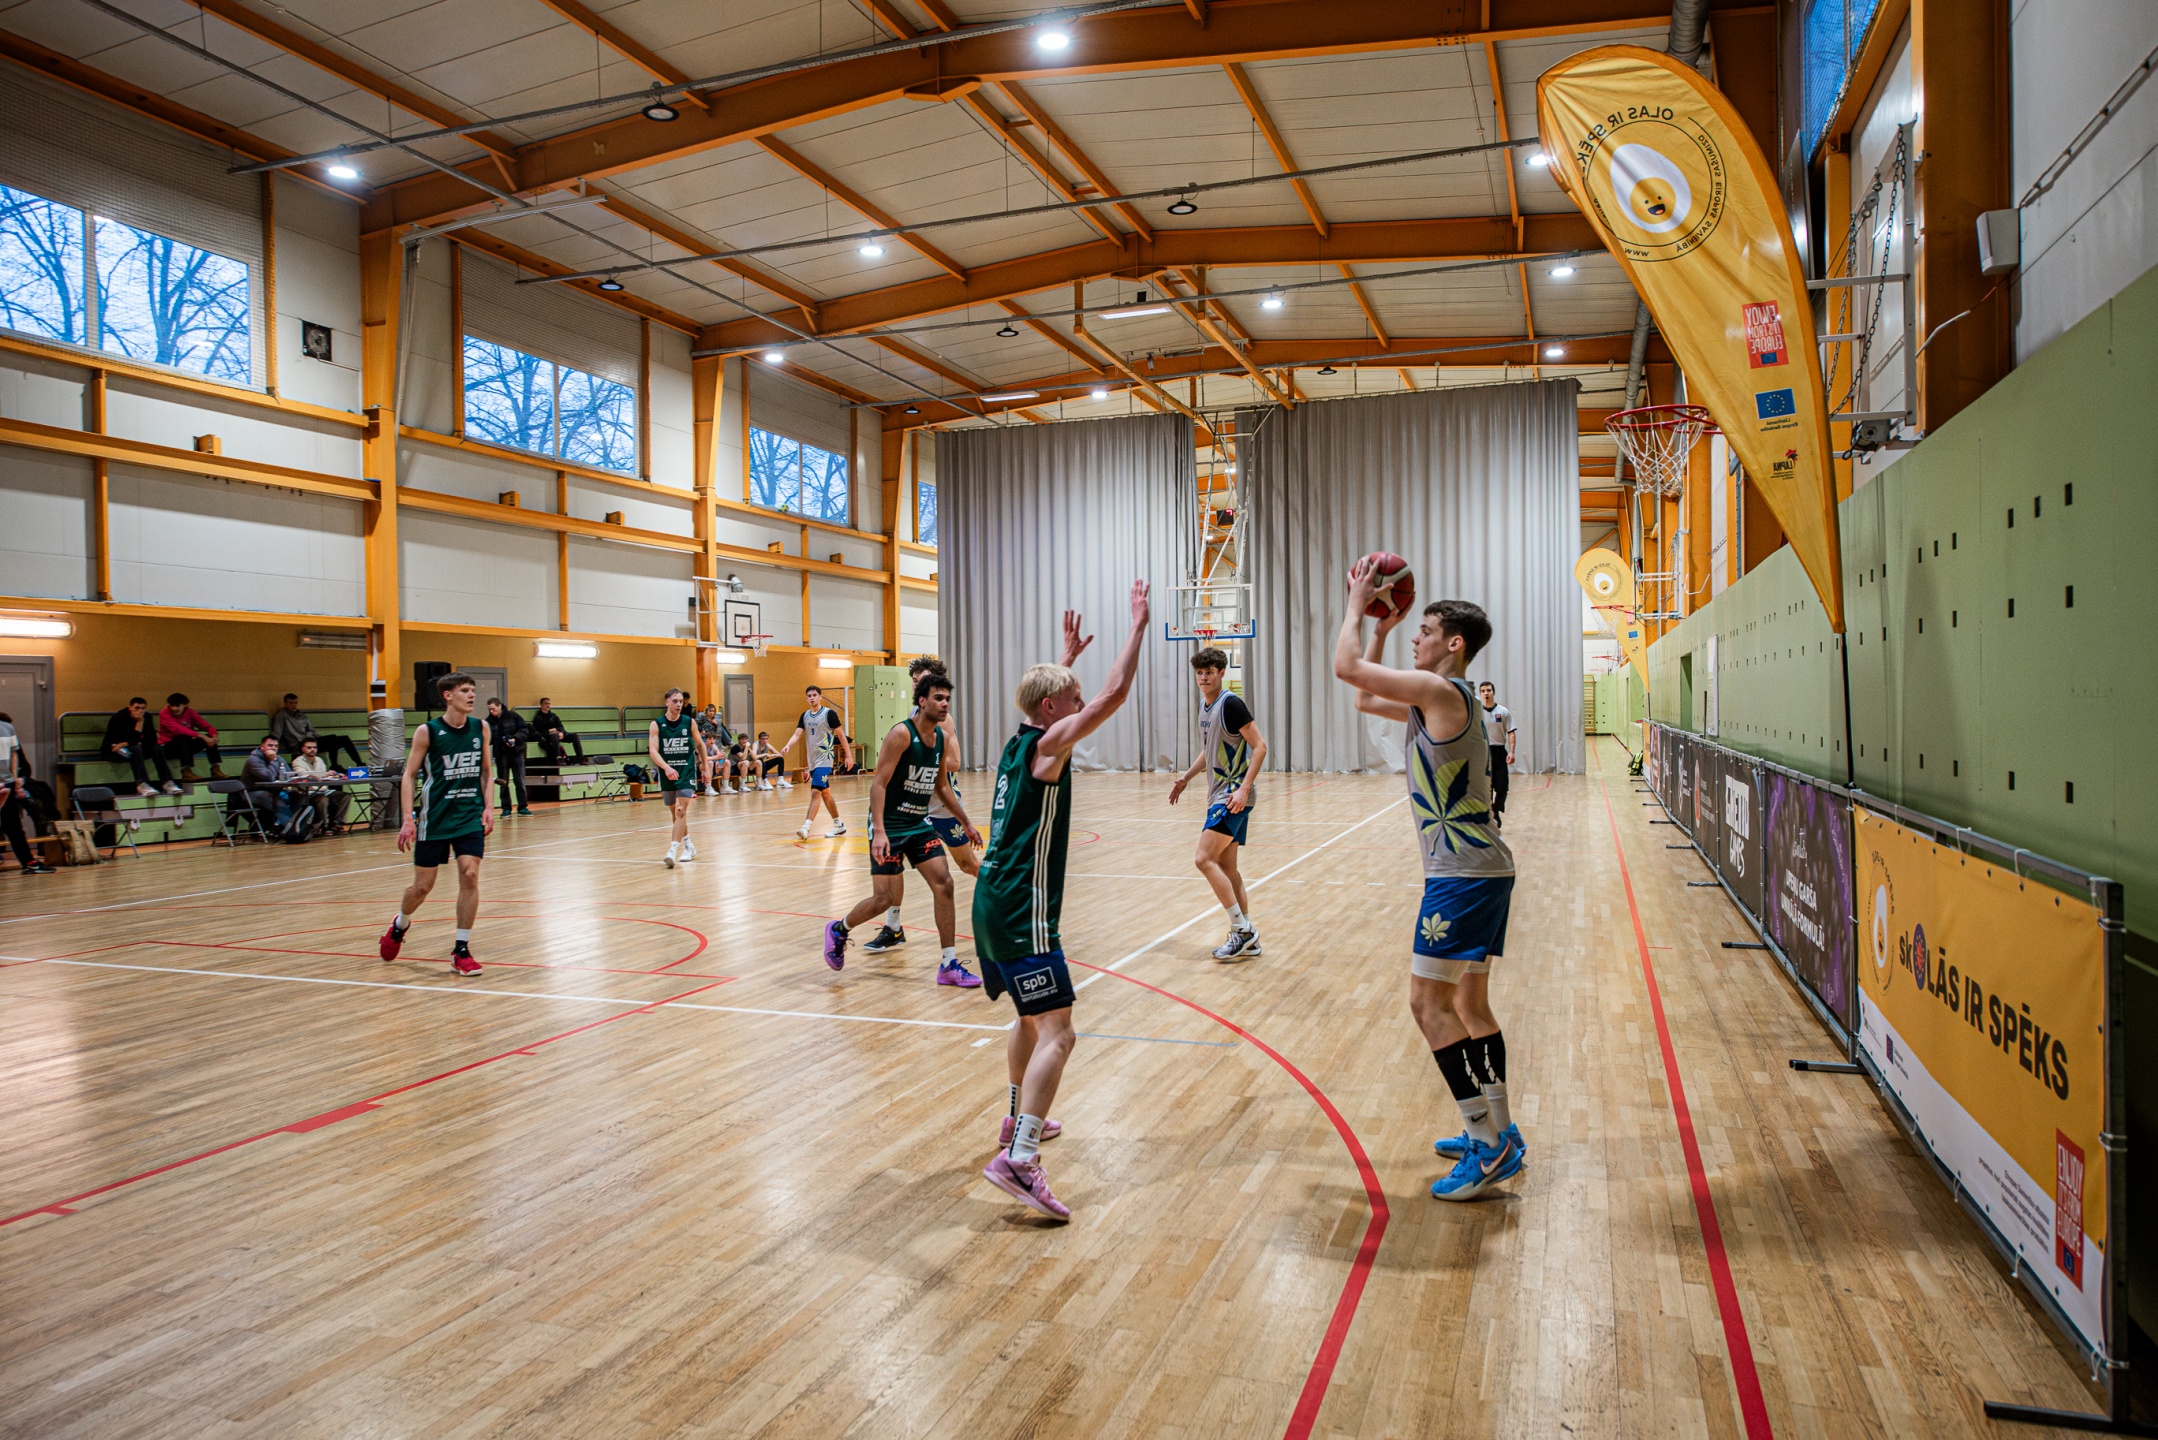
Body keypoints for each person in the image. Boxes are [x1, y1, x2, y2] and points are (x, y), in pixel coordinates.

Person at [1334, 557, 1522, 1201]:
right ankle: (1501, 1130)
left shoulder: (1442, 692)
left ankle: (1488, 1145)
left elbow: (1346, 670)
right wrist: (1383, 629)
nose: (1415, 637)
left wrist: (1357, 604)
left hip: (1462, 876)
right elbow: (1364, 697)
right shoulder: (1436, 700)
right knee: (1468, 1006)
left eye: (1424, 630)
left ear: (1454, 644)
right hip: (1481, 870)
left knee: (1427, 1006)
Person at [974, 580, 1151, 1222]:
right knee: (1060, 1030)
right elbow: (1114, 695)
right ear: (1053, 709)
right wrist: (1137, 626)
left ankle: (1015, 1119)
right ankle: (1020, 1159)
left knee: (1028, 1021)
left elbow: (1048, 699)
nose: (1081, 709)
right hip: (1023, 908)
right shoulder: (1049, 747)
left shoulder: (1019, 740)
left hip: (991, 901)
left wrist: (1066, 658)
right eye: (1071, 701)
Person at [861, 629, 1089, 954]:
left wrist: (918, 761)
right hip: (913, 807)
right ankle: (893, 927)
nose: (916, 685)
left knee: (968, 864)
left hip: (940, 805)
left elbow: (954, 762)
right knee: (892, 866)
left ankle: (1007, 904)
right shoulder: (912, 718)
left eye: (921, 680)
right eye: (913, 681)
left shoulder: (942, 720)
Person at [823, 670, 983, 986]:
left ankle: (948, 964)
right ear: (921, 701)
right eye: (938, 698)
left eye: (947, 698)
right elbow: (878, 784)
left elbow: (942, 787)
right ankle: (839, 929)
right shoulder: (901, 734)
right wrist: (879, 830)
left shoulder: (941, 739)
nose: (945, 704)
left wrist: (966, 822)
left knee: (945, 884)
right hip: (890, 824)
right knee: (882, 899)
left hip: (918, 822)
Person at [381, 673, 493, 976]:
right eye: (465, 690)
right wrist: (408, 818)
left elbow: (486, 771)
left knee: (470, 874)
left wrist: (488, 807)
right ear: (448, 695)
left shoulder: (480, 728)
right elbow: (409, 775)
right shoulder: (427, 731)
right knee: (422, 887)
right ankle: (400, 924)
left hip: (469, 815)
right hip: (435, 819)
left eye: (473, 690)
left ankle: (461, 950)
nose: (472, 695)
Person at [1167, 646, 1269, 961]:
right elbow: (1209, 749)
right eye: (1199, 673)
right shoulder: (1205, 705)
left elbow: (1260, 746)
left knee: (1203, 859)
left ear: (1221, 673)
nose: (1203, 678)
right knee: (1227, 867)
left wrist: (1244, 789)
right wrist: (1186, 778)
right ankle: (1247, 935)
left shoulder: (1231, 704)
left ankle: (1242, 931)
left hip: (1232, 796)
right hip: (1222, 794)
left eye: (1209, 672)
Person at [647, 687, 709, 868]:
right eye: (675, 701)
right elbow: (653, 751)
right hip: (668, 773)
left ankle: (672, 850)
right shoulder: (656, 724)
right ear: (666, 702)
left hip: (686, 771)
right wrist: (666, 768)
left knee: (681, 810)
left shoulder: (689, 722)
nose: (679, 704)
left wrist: (705, 768)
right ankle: (689, 845)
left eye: (681, 701)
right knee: (676, 814)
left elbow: (700, 745)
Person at [783, 685, 852, 840]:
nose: (812, 697)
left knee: (815, 792)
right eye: (809, 695)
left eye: (815, 695)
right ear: (806, 698)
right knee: (825, 793)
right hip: (813, 761)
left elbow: (841, 735)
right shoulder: (805, 716)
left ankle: (806, 827)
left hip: (825, 759)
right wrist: (788, 745)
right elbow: (797, 734)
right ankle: (839, 825)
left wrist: (848, 756)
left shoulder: (829, 714)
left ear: (820, 697)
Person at [1, 712, 53, 874]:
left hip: (6, 783)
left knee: (13, 824)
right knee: (11, 825)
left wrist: (15, 781)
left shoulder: (7, 727)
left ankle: (29, 862)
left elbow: (14, 755)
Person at [103, 697, 181, 796]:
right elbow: (119, 741)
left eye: (143, 708)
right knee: (136, 749)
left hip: (132, 747)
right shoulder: (119, 718)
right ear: (130, 708)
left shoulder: (147, 717)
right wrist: (138, 726)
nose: (140, 711)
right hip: (114, 750)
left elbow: (152, 739)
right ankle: (142, 784)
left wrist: (128, 742)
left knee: (157, 748)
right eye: (137, 708)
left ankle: (167, 782)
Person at [269, 693, 364, 769]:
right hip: (298, 744)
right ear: (285, 703)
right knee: (332, 738)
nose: (293, 705)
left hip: (311, 740)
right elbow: (277, 732)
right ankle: (334, 765)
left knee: (344, 739)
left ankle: (359, 763)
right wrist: (272, 746)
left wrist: (319, 738)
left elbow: (311, 730)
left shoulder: (301, 715)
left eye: (295, 703)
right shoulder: (281, 716)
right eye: (291, 703)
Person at [288, 736, 351, 832]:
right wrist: (324, 774)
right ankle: (324, 826)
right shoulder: (297, 761)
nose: (312, 749)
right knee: (323, 799)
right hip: (308, 792)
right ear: (303, 749)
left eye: (314, 747)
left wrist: (335, 776)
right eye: (309, 747)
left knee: (345, 796)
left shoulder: (319, 760)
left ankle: (336, 823)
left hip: (323, 790)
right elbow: (303, 774)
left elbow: (324, 777)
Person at [156, 693, 225, 780]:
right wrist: (201, 736)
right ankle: (186, 771)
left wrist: (214, 737)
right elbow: (178, 729)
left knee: (210, 737)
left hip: (185, 747)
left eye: (177, 706)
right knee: (183, 737)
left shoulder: (190, 712)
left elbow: (207, 726)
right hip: (168, 747)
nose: (174, 708)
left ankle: (215, 768)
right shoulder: (164, 713)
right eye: (172, 706)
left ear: (185, 705)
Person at [1476, 682, 1516, 827]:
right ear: (1480, 694)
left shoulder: (1503, 712)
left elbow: (1511, 732)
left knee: (1502, 787)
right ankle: (1488, 815)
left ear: (1493, 692)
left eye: (1488, 690)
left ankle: (1496, 810)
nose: (1486, 693)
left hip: (1499, 751)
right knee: (1487, 787)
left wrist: (1511, 752)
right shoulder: (1477, 713)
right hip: (1483, 752)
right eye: (1483, 691)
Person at [240, 734, 298, 834]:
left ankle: (282, 825)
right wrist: (273, 760)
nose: (273, 748)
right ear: (262, 747)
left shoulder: (279, 758)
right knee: (277, 802)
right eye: (270, 745)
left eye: (276, 746)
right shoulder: (253, 760)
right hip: (252, 792)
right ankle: (292, 831)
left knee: (298, 797)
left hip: (273, 791)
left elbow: (290, 775)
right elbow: (269, 777)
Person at [487, 698, 533, 815]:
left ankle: (522, 806)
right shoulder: (488, 722)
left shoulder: (513, 716)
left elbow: (524, 729)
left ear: (499, 706)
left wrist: (515, 739)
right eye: (489, 709)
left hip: (516, 753)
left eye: (493, 709)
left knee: (520, 782)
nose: (491, 711)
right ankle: (506, 808)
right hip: (501, 755)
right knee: (503, 783)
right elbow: (488, 738)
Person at [528, 698, 584, 765]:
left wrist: (561, 732)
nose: (548, 705)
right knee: (553, 735)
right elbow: (538, 731)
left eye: (549, 704)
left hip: (558, 734)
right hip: (548, 737)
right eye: (546, 703)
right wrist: (549, 731)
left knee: (574, 736)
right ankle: (559, 758)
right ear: (541, 705)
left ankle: (580, 757)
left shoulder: (553, 716)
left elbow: (560, 726)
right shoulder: (538, 718)